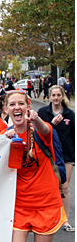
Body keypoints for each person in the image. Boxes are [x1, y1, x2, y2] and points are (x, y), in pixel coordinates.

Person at [3, 89, 66, 242]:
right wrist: (4, 141)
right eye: (12, 104)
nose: (16, 108)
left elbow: (46, 129)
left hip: (47, 205)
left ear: (27, 106)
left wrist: (36, 119)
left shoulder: (41, 130)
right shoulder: (5, 136)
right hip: (19, 206)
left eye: (21, 104)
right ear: (6, 109)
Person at [37, 85, 75, 232]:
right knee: (47, 186)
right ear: (49, 96)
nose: (56, 98)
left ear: (63, 96)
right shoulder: (43, 112)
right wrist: (53, 124)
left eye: (59, 95)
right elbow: (40, 132)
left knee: (65, 187)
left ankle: (65, 221)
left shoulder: (70, 114)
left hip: (67, 154)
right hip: (48, 153)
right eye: (53, 95)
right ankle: (46, 217)